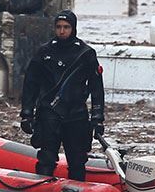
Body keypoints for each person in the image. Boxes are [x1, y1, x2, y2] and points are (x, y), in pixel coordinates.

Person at [20, 10, 105, 181]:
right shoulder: (44, 52)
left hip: (76, 114)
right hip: (49, 114)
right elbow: (30, 84)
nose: (62, 31)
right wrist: (26, 114)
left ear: (73, 28)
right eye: (58, 27)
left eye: (66, 27)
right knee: (46, 160)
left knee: (77, 161)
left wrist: (97, 117)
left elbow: (96, 88)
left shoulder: (85, 53)